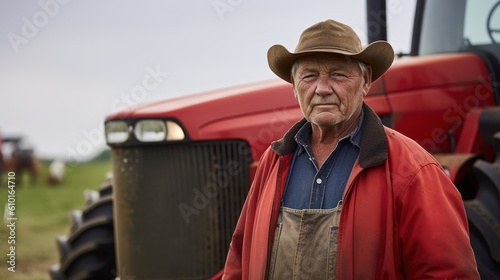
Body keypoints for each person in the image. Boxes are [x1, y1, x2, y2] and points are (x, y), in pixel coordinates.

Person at [222, 19, 479, 279]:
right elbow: (239, 261)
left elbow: (448, 273)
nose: (322, 89)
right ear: (294, 86)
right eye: (309, 75)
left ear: (365, 80)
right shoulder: (273, 162)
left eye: (338, 74)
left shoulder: (413, 170)